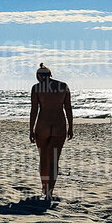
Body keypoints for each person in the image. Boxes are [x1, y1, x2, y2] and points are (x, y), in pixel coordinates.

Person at [29, 63, 73, 202]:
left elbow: (34, 110)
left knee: (43, 158)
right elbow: (68, 108)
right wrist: (71, 127)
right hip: (59, 125)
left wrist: (31, 129)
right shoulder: (63, 86)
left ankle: (44, 187)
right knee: (54, 160)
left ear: (39, 76)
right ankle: (50, 191)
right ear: (50, 74)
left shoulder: (37, 88)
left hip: (43, 125)